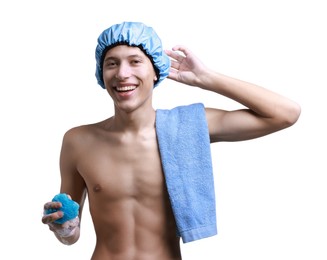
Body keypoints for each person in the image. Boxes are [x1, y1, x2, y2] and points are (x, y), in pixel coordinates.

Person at [42, 21, 301, 260]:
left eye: (135, 61)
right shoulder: (78, 141)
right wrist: (64, 228)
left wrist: (207, 79)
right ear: (101, 73)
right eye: (112, 63)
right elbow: (71, 234)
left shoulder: (187, 127)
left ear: (156, 70)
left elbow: (285, 114)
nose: (122, 73)